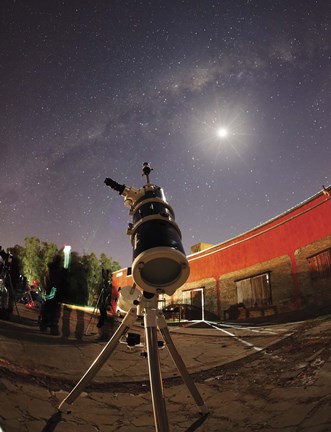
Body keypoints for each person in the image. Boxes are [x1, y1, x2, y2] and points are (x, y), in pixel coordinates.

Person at [39, 254, 67, 335]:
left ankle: (44, 325)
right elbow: (61, 282)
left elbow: (45, 279)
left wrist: (45, 288)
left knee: (47, 309)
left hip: (49, 291)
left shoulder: (49, 269)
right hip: (56, 293)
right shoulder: (60, 271)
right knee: (55, 312)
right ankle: (53, 328)